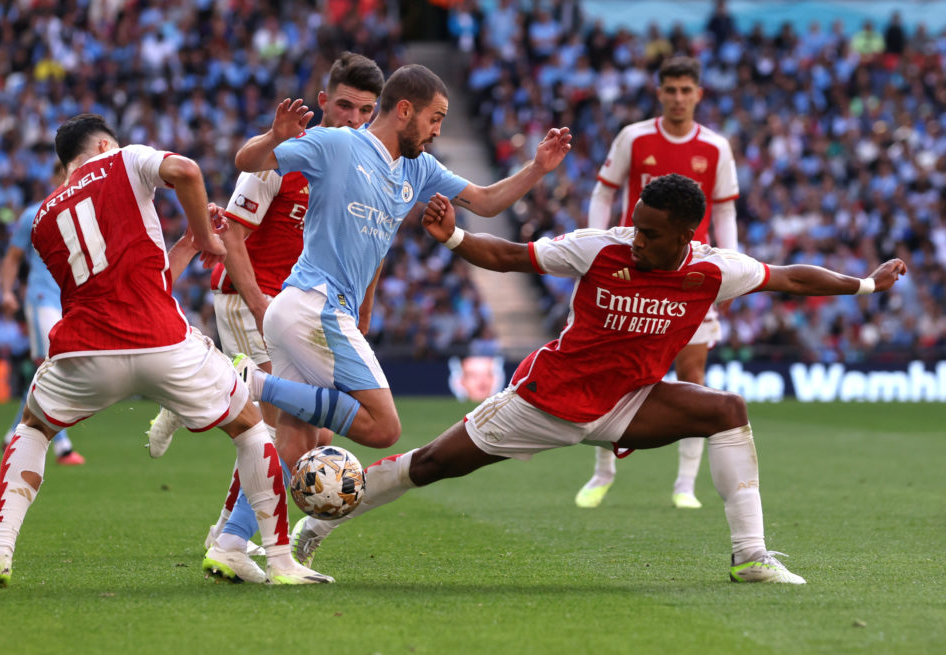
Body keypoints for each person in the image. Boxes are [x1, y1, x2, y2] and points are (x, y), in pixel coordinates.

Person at [289, 175, 907, 585]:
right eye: (637, 225)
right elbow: (509, 255)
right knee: (428, 465)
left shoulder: (716, 270)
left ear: (686, 235)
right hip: (543, 401)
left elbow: (792, 278)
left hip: (626, 403)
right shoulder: (600, 249)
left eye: (652, 232)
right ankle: (314, 526)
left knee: (726, 409)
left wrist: (866, 285)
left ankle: (751, 556)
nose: (637, 239)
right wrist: (451, 234)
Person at [0, 114, 333, 587]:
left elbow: (125, 285)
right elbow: (188, 171)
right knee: (252, 430)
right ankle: (279, 561)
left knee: (33, 427)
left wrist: (189, 246)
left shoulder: (44, 216)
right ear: (106, 143)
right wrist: (209, 237)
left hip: (85, 351)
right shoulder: (125, 158)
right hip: (162, 343)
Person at [221, 61, 572, 564]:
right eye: (434, 118)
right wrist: (271, 137)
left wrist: (538, 168)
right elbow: (246, 160)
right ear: (405, 109)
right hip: (313, 306)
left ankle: (234, 545)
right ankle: (252, 384)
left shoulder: (419, 167)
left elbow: (488, 202)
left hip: (308, 308)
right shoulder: (339, 143)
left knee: (294, 445)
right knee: (382, 427)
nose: (437, 130)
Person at [145, 52, 386, 574]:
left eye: (364, 110)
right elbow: (231, 232)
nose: (352, 118)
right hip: (249, 296)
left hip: (304, 306)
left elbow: (372, 245)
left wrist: (362, 309)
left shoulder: (359, 165)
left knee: (312, 434)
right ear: (323, 102)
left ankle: (209, 401)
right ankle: (232, 537)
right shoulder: (289, 153)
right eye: (343, 106)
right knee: (281, 426)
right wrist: (258, 302)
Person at [579, 56, 739, 510]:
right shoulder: (634, 137)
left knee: (694, 376)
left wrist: (730, 263)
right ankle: (602, 472)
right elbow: (604, 190)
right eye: (671, 89)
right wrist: (595, 243)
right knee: (609, 371)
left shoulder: (715, 147)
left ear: (699, 94)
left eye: (686, 90)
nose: (678, 98)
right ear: (660, 92)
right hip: (636, 268)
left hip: (692, 276)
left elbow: (724, 210)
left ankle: (684, 485)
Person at [0, 160, 85, 465]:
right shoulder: (34, 213)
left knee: (47, 370)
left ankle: (13, 435)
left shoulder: (82, 211)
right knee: (55, 366)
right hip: (41, 298)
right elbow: (12, 257)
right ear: (55, 176)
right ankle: (62, 446)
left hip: (69, 302)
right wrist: (7, 291)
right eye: (69, 172)